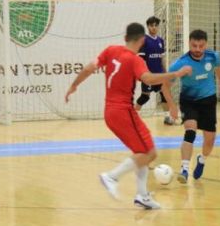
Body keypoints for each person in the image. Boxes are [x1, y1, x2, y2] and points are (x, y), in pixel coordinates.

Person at [65, 23, 191, 209]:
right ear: (142, 40)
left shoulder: (110, 50)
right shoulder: (134, 60)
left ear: (125, 37)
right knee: (150, 153)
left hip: (110, 111)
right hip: (123, 112)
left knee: (141, 151)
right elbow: (148, 79)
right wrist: (176, 73)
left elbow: (90, 68)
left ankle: (142, 196)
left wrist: (74, 85)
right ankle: (112, 177)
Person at [168, 29, 220, 183]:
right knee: (190, 130)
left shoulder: (213, 56)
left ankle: (202, 159)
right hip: (189, 101)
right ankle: (184, 169)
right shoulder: (180, 63)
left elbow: (219, 68)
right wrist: (172, 105)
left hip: (208, 101)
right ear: (189, 43)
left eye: (201, 46)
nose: (197, 49)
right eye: (194, 46)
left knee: (210, 140)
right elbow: (164, 85)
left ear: (205, 44)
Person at [135, 16, 180, 124]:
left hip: (160, 75)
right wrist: (145, 74)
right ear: (148, 26)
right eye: (151, 25)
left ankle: (168, 118)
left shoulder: (160, 41)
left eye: (156, 25)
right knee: (145, 97)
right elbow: (141, 60)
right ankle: (133, 116)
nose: (154, 27)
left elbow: (162, 58)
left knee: (164, 95)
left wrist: (166, 73)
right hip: (149, 75)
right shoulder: (144, 40)